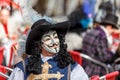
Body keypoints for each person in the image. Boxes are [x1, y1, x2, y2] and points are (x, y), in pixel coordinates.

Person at [8, 19, 89, 80]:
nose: (54, 42)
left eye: (55, 37)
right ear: (39, 44)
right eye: (47, 39)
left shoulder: (72, 68)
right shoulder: (23, 67)